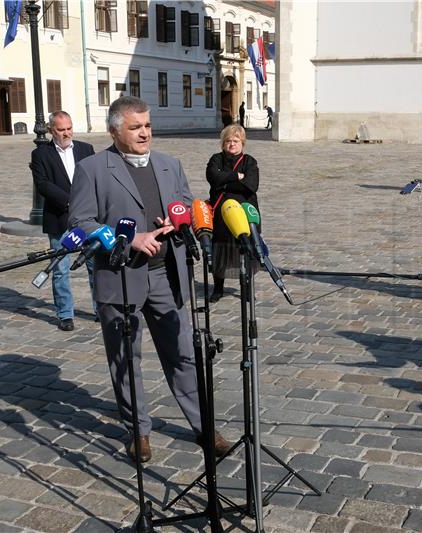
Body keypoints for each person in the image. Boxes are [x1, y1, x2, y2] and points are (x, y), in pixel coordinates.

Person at [69, 96, 231, 462]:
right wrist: (130, 239)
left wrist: (179, 222)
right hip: (121, 277)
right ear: (115, 130)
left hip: (167, 277)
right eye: (135, 127)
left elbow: (188, 205)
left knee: (184, 355)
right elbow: (80, 223)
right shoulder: (92, 168)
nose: (145, 133)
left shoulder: (169, 164)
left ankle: (204, 427)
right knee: (126, 359)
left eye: (147, 125)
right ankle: (138, 431)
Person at [31, 111, 97, 331]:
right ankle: (65, 314)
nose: (66, 133)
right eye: (61, 129)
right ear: (51, 130)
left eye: (69, 128)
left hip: (88, 218)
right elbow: (43, 184)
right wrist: (71, 203)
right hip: (59, 217)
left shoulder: (86, 149)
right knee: (60, 268)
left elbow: (95, 179)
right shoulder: (41, 154)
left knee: (94, 264)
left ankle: (101, 309)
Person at [205, 124, 260, 302]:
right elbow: (213, 178)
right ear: (223, 143)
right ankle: (218, 289)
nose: (231, 144)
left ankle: (246, 288)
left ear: (242, 142)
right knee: (219, 249)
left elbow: (251, 185)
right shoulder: (216, 159)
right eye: (228, 141)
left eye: (235, 141)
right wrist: (236, 177)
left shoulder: (249, 162)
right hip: (220, 213)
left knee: (244, 250)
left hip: (244, 212)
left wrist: (224, 181)